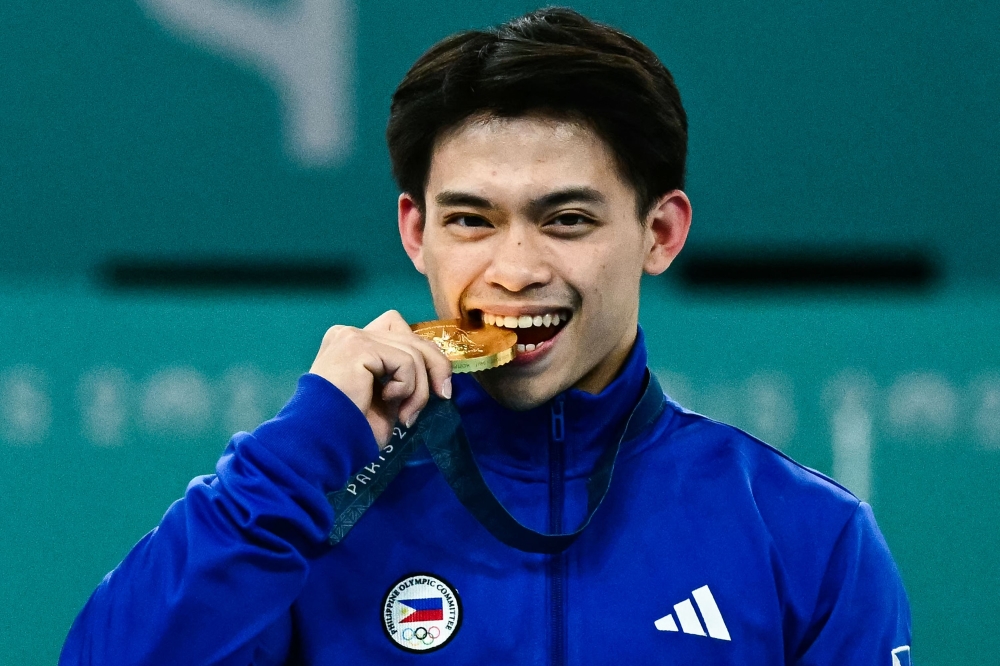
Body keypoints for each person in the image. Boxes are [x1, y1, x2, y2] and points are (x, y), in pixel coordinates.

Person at [61, 7, 911, 665]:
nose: (514, 267)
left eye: (567, 219)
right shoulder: (299, 510)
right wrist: (293, 456)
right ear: (416, 232)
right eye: (471, 220)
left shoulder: (807, 537)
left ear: (660, 234)